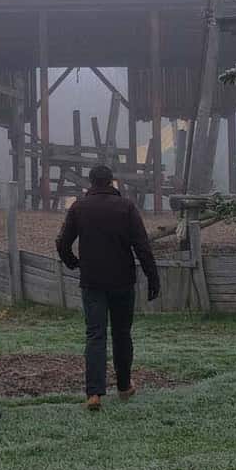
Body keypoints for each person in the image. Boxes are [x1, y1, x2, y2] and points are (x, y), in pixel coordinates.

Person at [55, 165, 160, 411]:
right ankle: (124, 386)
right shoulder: (126, 207)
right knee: (122, 334)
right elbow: (142, 247)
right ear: (112, 182)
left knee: (95, 335)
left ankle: (94, 394)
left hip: (92, 282)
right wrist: (153, 278)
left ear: (90, 182)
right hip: (123, 281)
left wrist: (74, 263)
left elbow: (62, 243)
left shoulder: (79, 207)